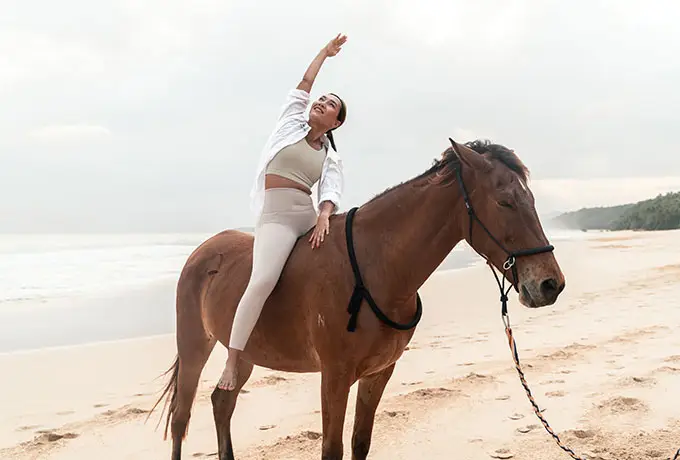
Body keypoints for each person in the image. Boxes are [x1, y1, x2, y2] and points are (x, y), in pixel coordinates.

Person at [218, 34, 348, 391]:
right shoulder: (290, 123)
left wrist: (324, 215)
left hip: (305, 216)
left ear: (336, 123)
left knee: (346, 256)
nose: (321, 101)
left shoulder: (330, 155)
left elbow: (331, 191)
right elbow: (305, 85)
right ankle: (232, 359)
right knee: (261, 281)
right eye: (322, 98)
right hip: (276, 217)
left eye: (330, 103)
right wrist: (324, 53)